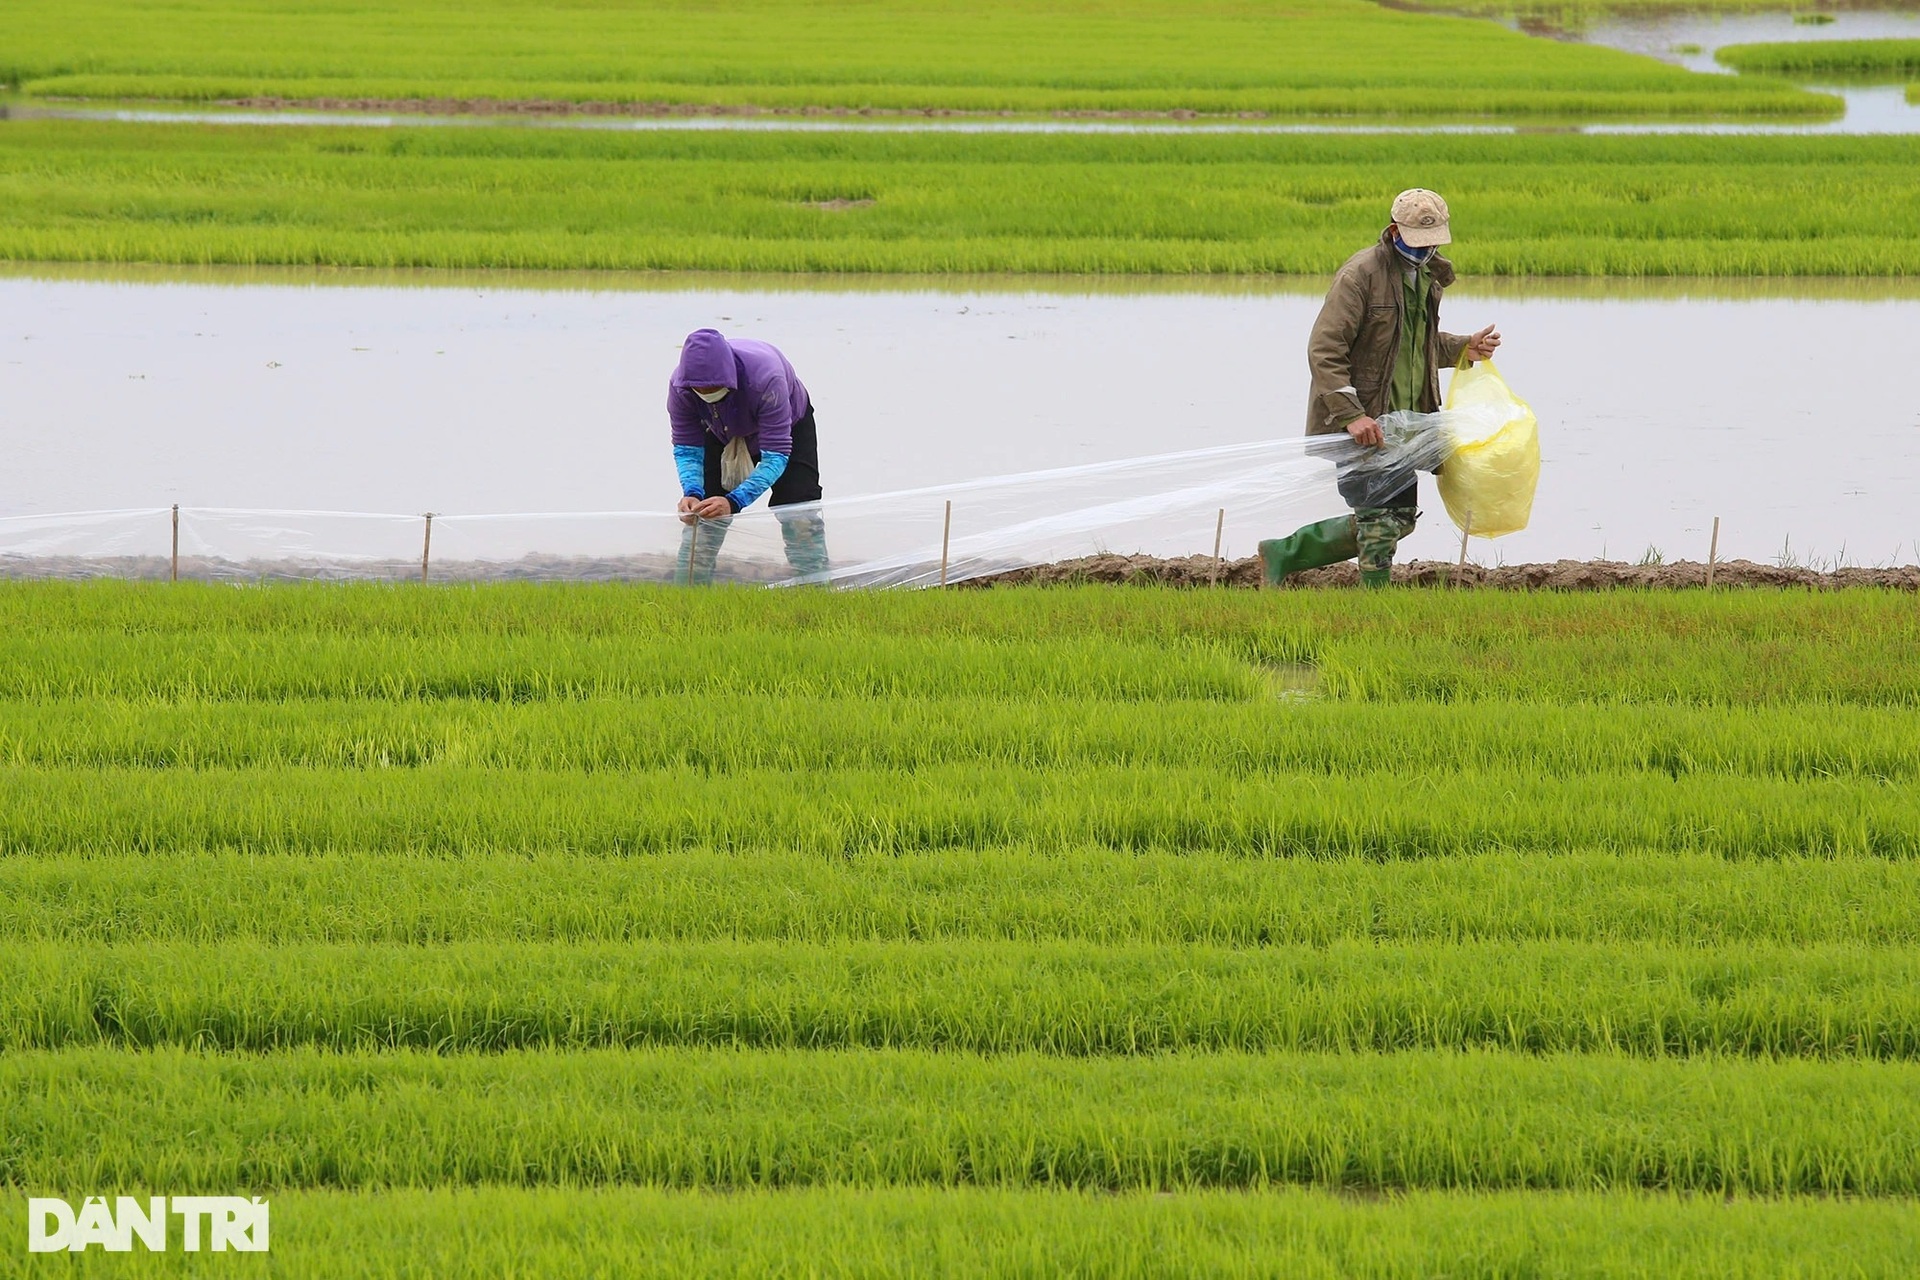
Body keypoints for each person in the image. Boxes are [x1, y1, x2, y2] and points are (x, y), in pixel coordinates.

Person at [1259, 189, 1502, 588]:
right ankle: (1375, 602)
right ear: (1394, 231)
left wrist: (1463, 348)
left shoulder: (1427, 277)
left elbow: (1413, 344)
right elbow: (1325, 349)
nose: (1426, 250)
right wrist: (1352, 415)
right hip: (1365, 420)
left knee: (1399, 520)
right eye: (1418, 242)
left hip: (1407, 423)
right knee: (1377, 521)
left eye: (1434, 241)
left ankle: (1283, 553)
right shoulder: (1361, 275)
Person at [668, 328, 829, 583]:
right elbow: (688, 448)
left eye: (715, 388)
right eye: (700, 389)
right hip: (717, 428)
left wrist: (734, 502)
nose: (707, 392)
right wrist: (691, 492)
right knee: (704, 510)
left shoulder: (766, 379)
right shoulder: (681, 388)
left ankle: (815, 590)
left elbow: (776, 456)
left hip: (788, 425)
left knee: (798, 505)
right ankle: (689, 591)